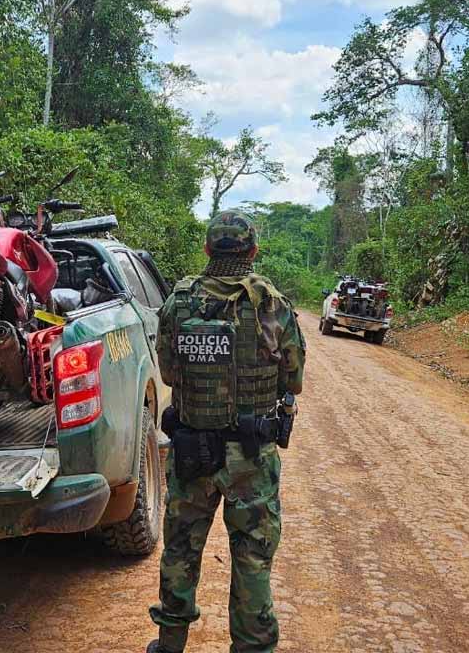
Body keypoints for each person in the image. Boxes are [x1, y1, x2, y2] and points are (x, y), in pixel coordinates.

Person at [147, 210, 306, 653]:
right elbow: (292, 382)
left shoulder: (179, 303)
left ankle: (170, 643)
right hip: (252, 458)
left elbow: (169, 372)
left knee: (180, 549)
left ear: (207, 250)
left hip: (193, 451)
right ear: (253, 251)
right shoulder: (273, 305)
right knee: (253, 558)